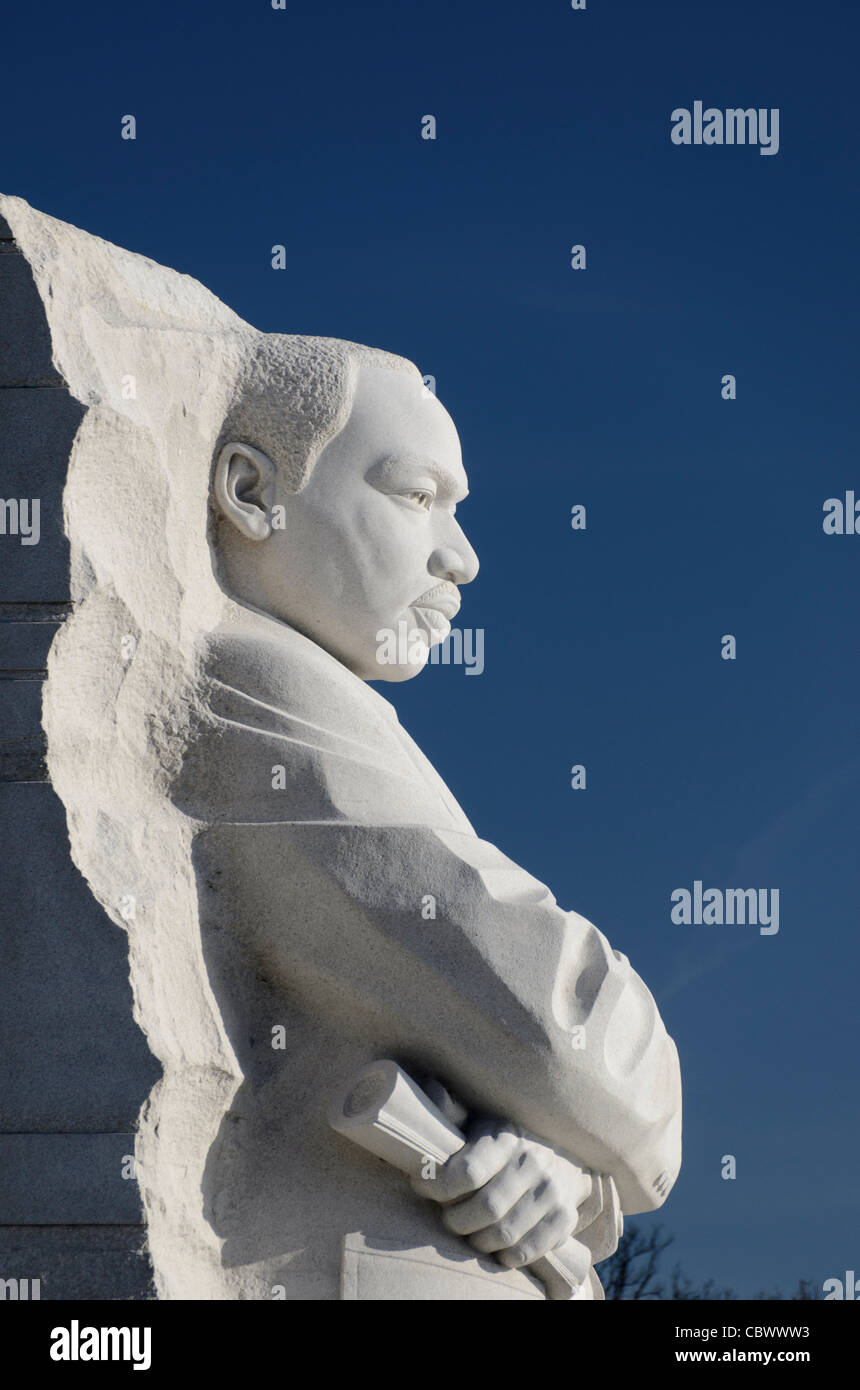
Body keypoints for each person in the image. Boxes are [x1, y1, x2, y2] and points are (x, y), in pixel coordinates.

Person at [167, 335, 682, 1300]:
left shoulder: (322, 700)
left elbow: (521, 1063)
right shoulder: (260, 680)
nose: (464, 557)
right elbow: (557, 1028)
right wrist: (635, 1112)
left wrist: (572, 1178)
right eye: (415, 497)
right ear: (249, 492)